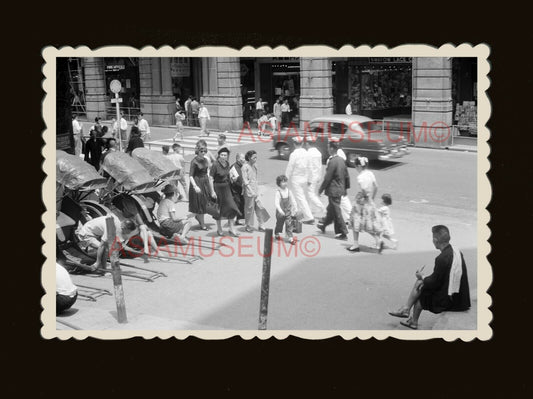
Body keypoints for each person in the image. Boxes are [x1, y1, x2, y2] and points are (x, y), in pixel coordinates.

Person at [388, 225, 471, 330]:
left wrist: (422, 277)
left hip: (451, 301)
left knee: (420, 289)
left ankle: (408, 313)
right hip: (460, 297)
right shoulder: (457, 252)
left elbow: (434, 283)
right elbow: (441, 278)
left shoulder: (441, 258)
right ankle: (408, 313)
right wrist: (424, 279)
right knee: (421, 285)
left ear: (435, 240)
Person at [347, 156, 382, 253]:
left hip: (361, 202)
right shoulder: (370, 173)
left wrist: (364, 197)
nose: (355, 168)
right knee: (369, 224)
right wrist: (372, 198)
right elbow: (376, 186)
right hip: (370, 200)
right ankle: (378, 240)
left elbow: (363, 189)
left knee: (355, 222)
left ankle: (355, 244)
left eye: (355, 166)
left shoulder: (360, 177)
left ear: (359, 166)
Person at [317, 140, 350, 240]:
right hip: (340, 189)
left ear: (332, 148)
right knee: (331, 209)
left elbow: (328, 178)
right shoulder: (341, 160)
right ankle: (324, 224)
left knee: (336, 211)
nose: (327, 149)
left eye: (328, 147)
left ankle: (343, 232)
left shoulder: (332, 161)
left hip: (333, 190)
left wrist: (321, 189)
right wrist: (345, 188)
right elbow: (346, 176)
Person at [210, 147, 242, 237]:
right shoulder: (215, 165)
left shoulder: (227, 164)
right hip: (217, 188)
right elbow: (211, 178)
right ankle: (219, 228)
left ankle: (231, 228)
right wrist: (212, 191)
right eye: (222, 155)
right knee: (218, 210)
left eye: (225, 155)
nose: (224, 156)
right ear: (219, 155)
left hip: (227, 188)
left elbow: (228, 175)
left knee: (232, 207)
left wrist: (232, 178)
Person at [285, 137, 314, 224]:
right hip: (305, 178)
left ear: (294, 144)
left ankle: (309, 217)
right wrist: (310, 179)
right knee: (301, 197)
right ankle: (296, 213)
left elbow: (290, 167)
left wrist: (285, 178)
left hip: (296, 178)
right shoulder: (306, 153)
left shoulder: (294, 154)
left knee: (300, 198)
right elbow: (310, 167)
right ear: (302, 144)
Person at [188, 142, 215, 230]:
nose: (203, 153)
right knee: (200, 203)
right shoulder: (194, 161)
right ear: (198, 151)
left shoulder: (206, 159)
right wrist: (195, 186)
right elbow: (191, 175)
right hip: (197, 181)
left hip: (205, 181)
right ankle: (202, 223)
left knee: (206, 202)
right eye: (201, 151)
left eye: (204, 151)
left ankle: (198, 217)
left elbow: (209, 170)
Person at [242, 150, 266, 232]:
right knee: (249, 209)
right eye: (254, 158)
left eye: (256, 157)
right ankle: (248, 225)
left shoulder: (255, 165)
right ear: (249, 158)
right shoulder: (245, 167)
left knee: (260, 207)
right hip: (249, 191)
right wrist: (251, 191)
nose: (255, 159)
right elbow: (245, 181)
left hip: (256, 189)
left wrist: (259, 190)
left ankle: (261, 224)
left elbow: (256, 178)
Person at [305, 137, 327, 218]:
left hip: (311, 176)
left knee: (310, 194)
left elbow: (309, 167)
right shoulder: (318, 153)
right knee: (311, 193)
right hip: (317, 175)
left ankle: (322, 207)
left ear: (308, 143)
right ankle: (309, 210)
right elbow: (320, 166)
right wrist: (319, 177)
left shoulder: (309, 153)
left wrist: (309, 179)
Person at [274, 175, 298, 245]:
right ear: (279, 183)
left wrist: (295, 207)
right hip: (280, 212)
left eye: (285, 181)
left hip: (288, 211)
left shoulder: (289, 191)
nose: (285, 183)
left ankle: (290, 238)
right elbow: (276, 203)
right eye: (283, 182)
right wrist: (280, 211)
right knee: (279, 224)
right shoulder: (278, 192)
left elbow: (293, 200)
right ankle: (277, 233)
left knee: (289, 224)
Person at [335, 148, 353, 222]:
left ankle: (351, 217)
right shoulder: (341, 159)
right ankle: (348, 217)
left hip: (338, 186)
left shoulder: (337, 159)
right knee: (341, 202)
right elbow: (347, 177)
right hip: (340, 186)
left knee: (343, 201)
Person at [230, 152, 245, 226]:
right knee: (236, 204)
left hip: (241, 189)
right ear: (238, 159)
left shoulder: (242, 166)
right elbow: (233, 179)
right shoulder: (234, 167)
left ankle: (238, 220)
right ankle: (233, 220)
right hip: (235, 190)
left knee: (241, 204)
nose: (244, 160)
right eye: (243, 158)